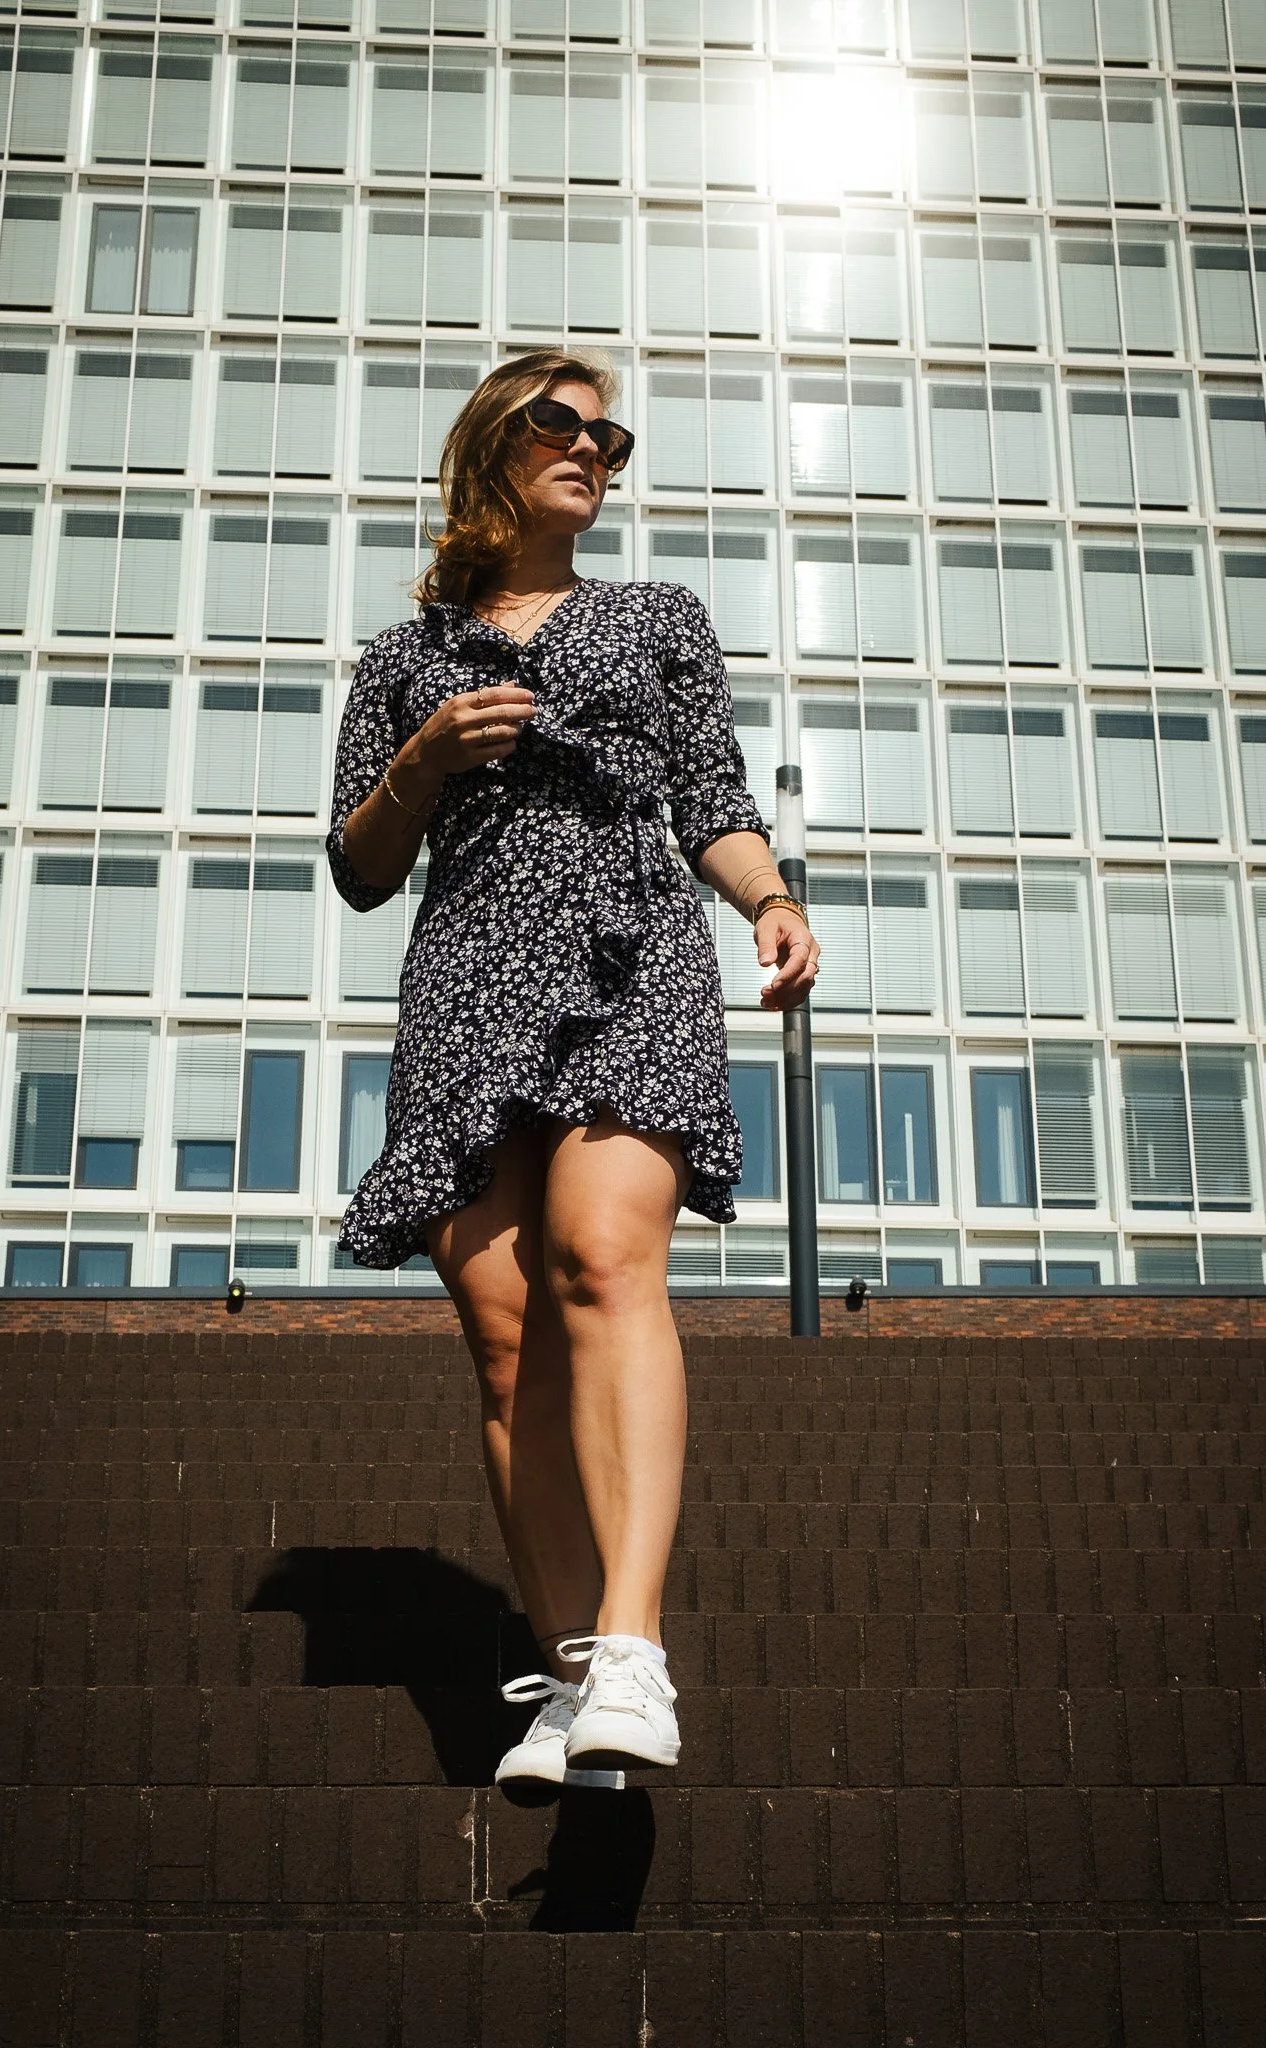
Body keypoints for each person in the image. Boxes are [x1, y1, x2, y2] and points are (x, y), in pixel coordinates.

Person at [325, 348, 820, 1786]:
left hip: (626, 947)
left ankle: (637, 1648)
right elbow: (360, 867)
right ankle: (568, 1677)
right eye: (562, 425)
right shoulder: (404, 659)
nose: (593, 450)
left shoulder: (659, 617)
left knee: (604, 1259)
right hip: (468, 972)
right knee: (503, 1334)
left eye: (612, 436)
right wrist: (419, 764)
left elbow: (711, 803)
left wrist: (769, 900)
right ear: (491, 445)